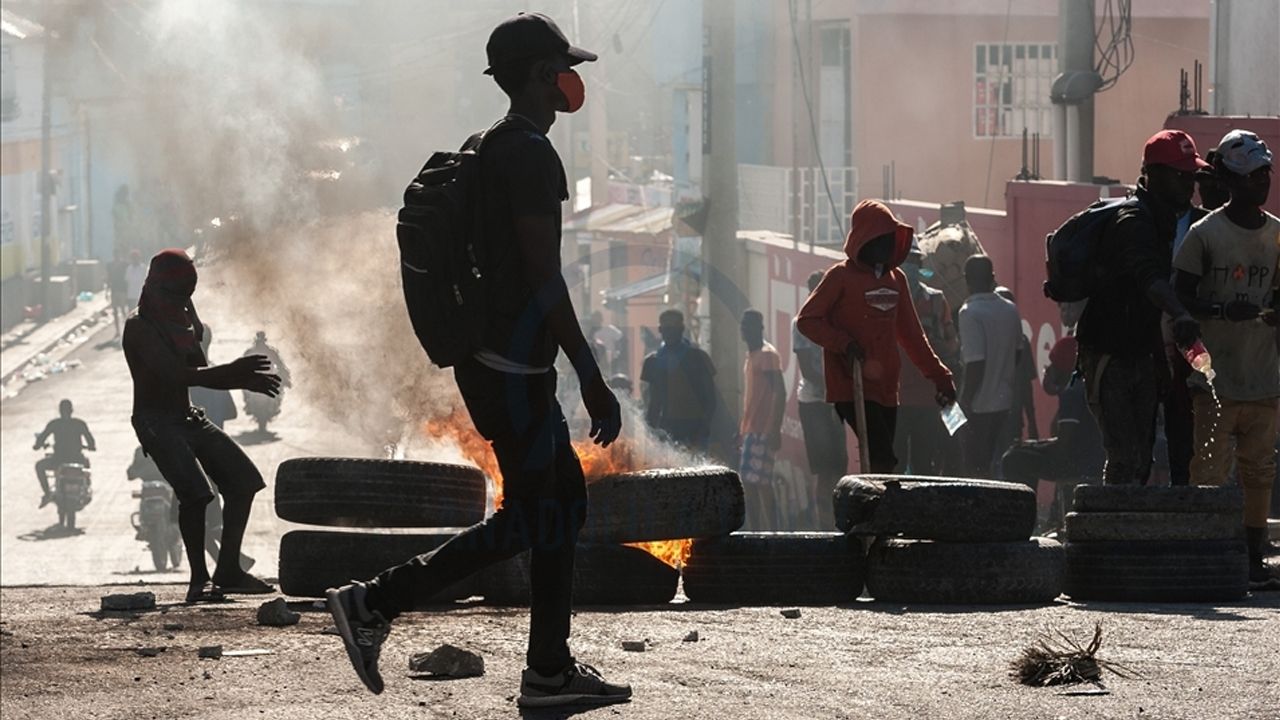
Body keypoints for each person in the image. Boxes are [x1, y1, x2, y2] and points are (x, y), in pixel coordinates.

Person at [325, 13, 630, 707]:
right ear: (534, 76)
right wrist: (592, 374)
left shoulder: (490, 145)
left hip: (505, 363)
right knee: (533, 516)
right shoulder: (527, 155)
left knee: (564, 502)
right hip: (512, 368)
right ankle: (374, 602)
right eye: (561, 67)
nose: (570, 80)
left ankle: (549, 671)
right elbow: (543, 277)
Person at [122, 248, 280, 603]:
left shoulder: (180, 319)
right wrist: (238, 374)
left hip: (187, 416)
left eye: (186, 296)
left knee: (243, 482)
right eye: (174, 295)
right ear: (154, 287)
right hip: (155, 422)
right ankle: (199, 580)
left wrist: (235, 374)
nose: (180, 303)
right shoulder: (139, 327)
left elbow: (200, 366)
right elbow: (179, 375)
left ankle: (228, 571)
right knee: (196, 494)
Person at [1173, 129, 1279, 587]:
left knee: (1259, 471)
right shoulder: (1204, 235)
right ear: (1232, 181)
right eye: (1255, 175)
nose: (1264, 182)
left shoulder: (1277, 234)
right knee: (1210, 471)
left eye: (1266, 174)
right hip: (1214, 380)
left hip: (1263, 377)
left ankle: (1254, 558)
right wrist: (1220, 311)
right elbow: (1179, 304)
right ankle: (1204, 554)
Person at [1075, 129, 1203, 485]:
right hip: (1109, 353)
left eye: (1193, 175)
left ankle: (1121, 531)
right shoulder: (1132, 221)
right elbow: (1149, 279)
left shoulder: (1165, 219)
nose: (1190, 184)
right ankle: (1110, 536)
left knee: (1141, 457)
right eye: (1183, 175)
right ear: (1154, 174)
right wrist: (1179, 312)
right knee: (1125, 457)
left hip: (1140, 353)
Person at [797, 200, 956, 474]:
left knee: (881, 462)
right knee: (883, 457)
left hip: (887, 389)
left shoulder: (897, 281)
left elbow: (913, 338)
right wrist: (843, 344)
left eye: (890, 239)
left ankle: (871, 512)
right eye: (880, 239)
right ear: (864, 240)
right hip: (852, 383)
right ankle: (879, 510)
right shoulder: (840, 277)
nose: (886, 246)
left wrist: (941, 377)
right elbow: (807, 321)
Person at [1162, 152, 1231, 486]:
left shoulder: (1236, 231)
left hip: (1217, 343)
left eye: (1212, 180)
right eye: (1202, 180)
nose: (1205, 188)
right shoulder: (1178, 223)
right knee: (1177, 418)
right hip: (1174, 338)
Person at [1001, 335, 1104, 533]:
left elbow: (1062, 447)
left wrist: (1030, 447)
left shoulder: (1072, 392)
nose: (1048, 369)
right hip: (1089, 459)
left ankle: (1022, 523)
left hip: (1077, 464)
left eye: (1053, 364)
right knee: (1022, 452)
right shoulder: (1081, 386)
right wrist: (1033, 444)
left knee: (1012, 459)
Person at [189, 325, 254, 573]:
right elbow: (232, 412)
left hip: (192, 456)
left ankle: (226, 563)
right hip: (214, 455)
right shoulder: (216, 374)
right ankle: (229, 562)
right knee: (210, 515)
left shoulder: (188, 377)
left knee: (198, 515)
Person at [894, 244, 961, 475]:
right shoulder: (886, 299)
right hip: (897, 398)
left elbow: (951, 346)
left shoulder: (935, 301)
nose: (909, 266)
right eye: (906, 260)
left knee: (923, 466)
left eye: (912, 261)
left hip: (926, 397)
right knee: (896, 466)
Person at [956, 256, 1022, 478]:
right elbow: (1018, 354)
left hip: (979, 406)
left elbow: (975, 363)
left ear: (967, 280)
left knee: (974, 466)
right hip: (1004, 403)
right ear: (992, 278)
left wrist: (965, 401)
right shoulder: (1011, 310)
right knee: (997, 463)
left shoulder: (968, 312)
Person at [793, 271, 848, 527]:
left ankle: (836, 521)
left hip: (835, 401)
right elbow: (807, 369)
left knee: (839, 467)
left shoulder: (838, 320)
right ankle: (823, 524)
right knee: (824, 469)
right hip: (814, 402)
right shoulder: (801, 323)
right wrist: (833, 384)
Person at [640, 309, 716, 451]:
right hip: (666, 430)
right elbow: (653, 401)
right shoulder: (652, 362)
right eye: (666, 328)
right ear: (660, 330)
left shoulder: (698, 358)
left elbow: (710, 398)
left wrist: (704, 427)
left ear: (682, 329)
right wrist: (650, 432)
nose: (670, 332)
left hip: (694, 430)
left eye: (674, 328)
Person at [739, 309, 787, 529]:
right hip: (751, 429)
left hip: (763, 429)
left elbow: (780, 391)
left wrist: (774, 428)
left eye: (750, 325)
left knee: (762, 483)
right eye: (744, 326)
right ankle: (757, 530)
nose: (746, 330)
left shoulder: (768, 355)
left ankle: (773, 533)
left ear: (760, 328)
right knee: (749, 483)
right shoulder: (751, 356)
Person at [994, 286, 1039, 447]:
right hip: (988, 417)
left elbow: (1026, 384)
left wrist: (1032, 421)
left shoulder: (1021, 341)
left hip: (1011, 418)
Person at [33, 399, 96, 508]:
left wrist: (37, 446)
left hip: (58, 460)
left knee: (39, 466)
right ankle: (85, 488)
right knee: (86, 466)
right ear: (71, 410)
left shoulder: (54, 424)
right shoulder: (79, 424)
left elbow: (42, 438)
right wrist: (91, 447)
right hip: (77, 459)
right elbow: (90, 441)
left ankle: (47, 493)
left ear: (60, 411)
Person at [241, 331, 291, 433]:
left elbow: (280, 366)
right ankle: (248, 404)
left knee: (277, 392)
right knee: (245, 389)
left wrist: (285, 378)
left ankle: (272, 406)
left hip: (266, 379)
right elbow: (242, 367)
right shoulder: (253, 352)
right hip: (255, 380)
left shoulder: (270, 352)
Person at [108, 255, 131, 338]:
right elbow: (109, 278)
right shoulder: (110, 265)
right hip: (114, 290)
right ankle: (117, 330)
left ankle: (126, 328)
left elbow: (128, 278)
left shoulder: (125, 265)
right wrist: (107, 291)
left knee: (123, 310)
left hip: (122, 290)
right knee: (115, 312)